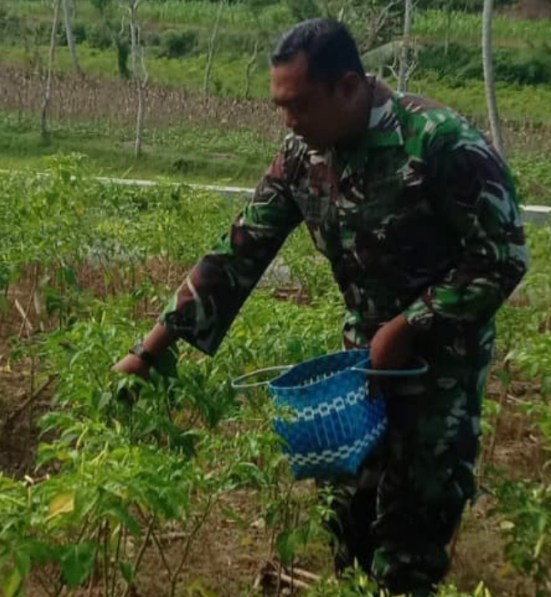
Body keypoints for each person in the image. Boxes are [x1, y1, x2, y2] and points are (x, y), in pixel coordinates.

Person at [111, 19, 529, 596]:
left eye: (301, 105)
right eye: (281, 106)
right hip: (360, 369)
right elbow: (239, 252)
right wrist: (150, 349)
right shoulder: (303, 154)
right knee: (345, 526)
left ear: (350, 86)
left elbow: (502, 257)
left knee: (409, 545)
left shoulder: (438, 142)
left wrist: (409, 326)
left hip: (441, 374)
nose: (289, 121)